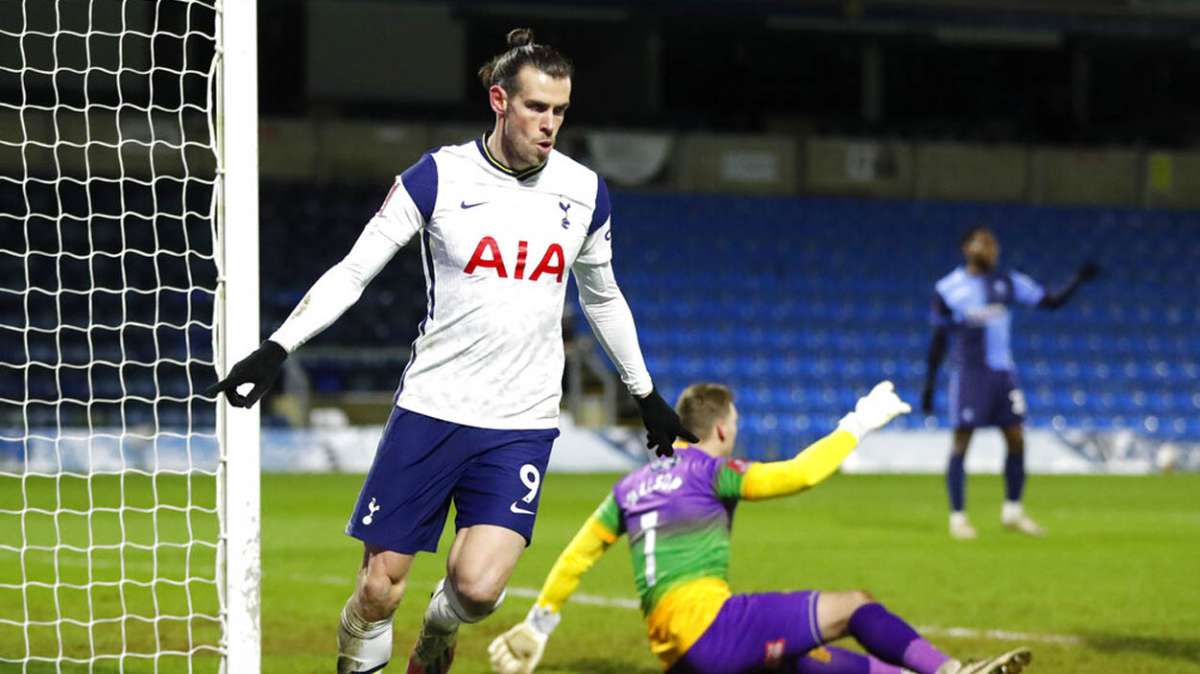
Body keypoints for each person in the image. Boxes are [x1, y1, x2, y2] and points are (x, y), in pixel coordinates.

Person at [206, 28, 697, 674]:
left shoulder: (584, 193)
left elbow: (602, 297)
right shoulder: (437, 177)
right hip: (434, 408)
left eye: (560, 111)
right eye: (536, 108)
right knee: (379, 587)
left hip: (521, 422)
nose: (550, 125)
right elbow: (355, 271)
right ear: (499, 99)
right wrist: (277, 346)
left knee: (477, 589)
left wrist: (645, 393)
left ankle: (438, 631)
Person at [488, 382, 1033, 674]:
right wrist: (856, 424)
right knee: (855, 606)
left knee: (805, 661)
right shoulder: (712, 471)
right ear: (721, 428)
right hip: (713, 630)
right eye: (736, 429)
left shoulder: (629, 488)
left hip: (677, 655)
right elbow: (799, 475)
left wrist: (539, 625)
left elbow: (578, 556)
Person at [921, 227, 1099, 540]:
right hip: (970, 374)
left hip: (1003, 375)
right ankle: (958, 518)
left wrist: (1077, 280)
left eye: (993, 244)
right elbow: (938, 337)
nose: (989, 248)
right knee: (962, 442)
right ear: (966, 247)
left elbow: (1050, 301)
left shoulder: (1007, 282)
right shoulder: (948, 288)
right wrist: (929, 383)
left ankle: (1013, 512)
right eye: (982, 242)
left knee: (1016, 439)